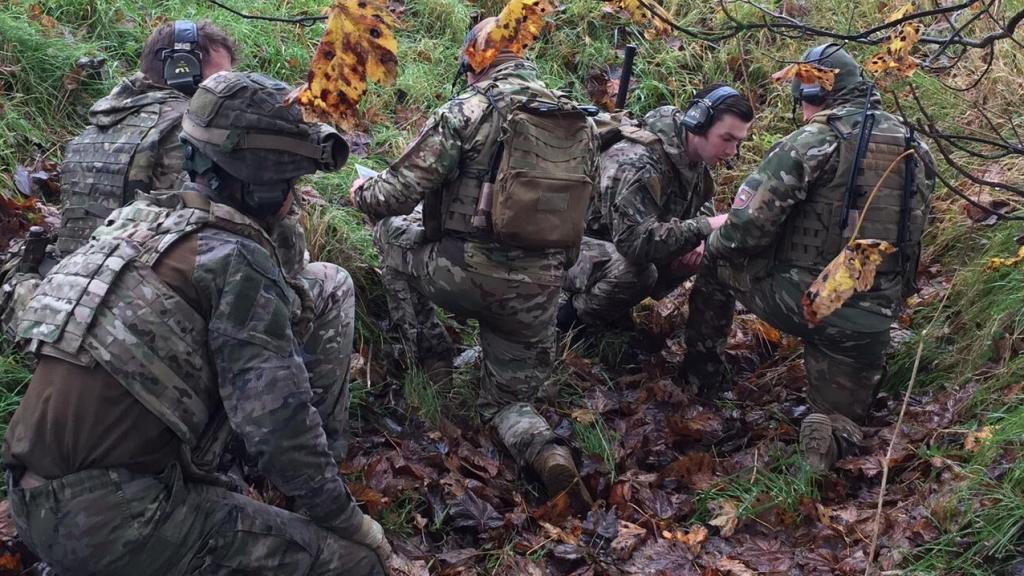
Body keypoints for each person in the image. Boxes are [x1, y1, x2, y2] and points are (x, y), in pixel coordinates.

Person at [3, 71, 389, 576]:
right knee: (357, 565)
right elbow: (278, 426)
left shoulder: (135, 223)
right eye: (292, 182)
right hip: (117, 520)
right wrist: (350, 521)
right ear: (266, 187)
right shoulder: (234, 259)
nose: (295, 198)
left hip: (30, 500)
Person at [349, 18, 600, 504]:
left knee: (390, 235)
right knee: (508, 402)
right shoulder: (579, 122)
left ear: (472, 60)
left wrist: (362, 193)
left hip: (463, 273)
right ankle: (545, 451)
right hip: (538, 290)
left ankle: (432, 358)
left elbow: (395, 195)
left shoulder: (468, 110)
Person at [683, 44, 935, 471]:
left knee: (716, 263)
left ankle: (701, 378)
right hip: (874, 312)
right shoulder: (918, 148)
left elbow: (745, 228)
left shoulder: (814, 140)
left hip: (811, 301)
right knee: (839, 414)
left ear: (811, 96)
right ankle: (829, 436)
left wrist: (711, 244)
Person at [558, 85, 754, 331]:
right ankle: (568, 321)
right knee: (635, 273)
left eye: (738, 142)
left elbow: (701, 205)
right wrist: (706, 226)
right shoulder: (639, 161)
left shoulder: (692, 159)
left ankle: (613, 306)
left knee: (701, 247)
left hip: (609, 242)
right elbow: (633, 243)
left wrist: (701, 236)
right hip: (566, 244)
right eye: (726, 139)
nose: (732, 151)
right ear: (698, 124)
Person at [56, 19, 236, 256]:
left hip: (68, 280)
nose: (229, 90)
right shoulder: (188, 131)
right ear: (181, 68)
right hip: (134, 282)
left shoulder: (99, 123)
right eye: (220, 79)